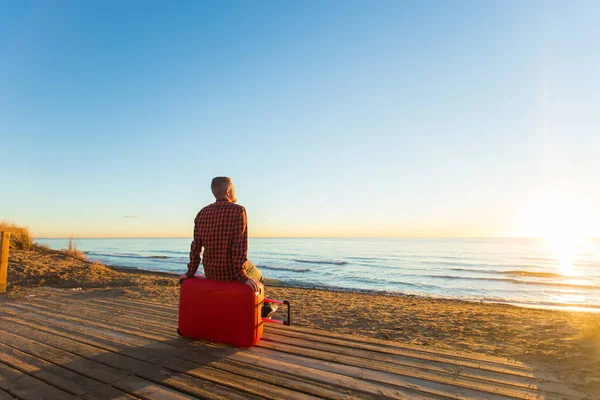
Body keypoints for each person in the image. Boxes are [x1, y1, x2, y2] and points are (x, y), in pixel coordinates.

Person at [181, 176, 277, 318]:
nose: (235, 191)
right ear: (228, 192)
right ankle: (262, 311)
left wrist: (189, 273)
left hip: (211, 272)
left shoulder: (202, 213)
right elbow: (240, 249)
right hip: (231, 272)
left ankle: (260, 308)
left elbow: (195, 248)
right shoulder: (239, 211)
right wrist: (243, 277)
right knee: (259, 277)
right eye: (234, 189)